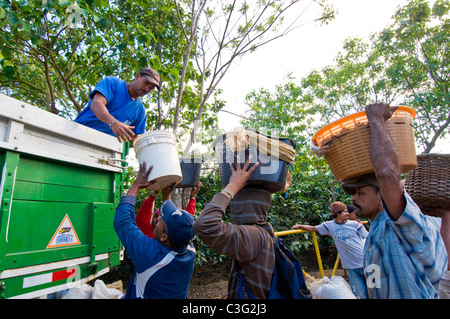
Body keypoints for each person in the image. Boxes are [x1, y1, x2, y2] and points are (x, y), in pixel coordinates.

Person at [341, 102, 447, 299]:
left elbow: (386, 173)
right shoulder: (373, 233)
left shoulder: (402, 226)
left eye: (360, 192)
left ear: (382, 192)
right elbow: (374, 285)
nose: (353, 198)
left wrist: (376, 120)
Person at [194, 156, 282, 299]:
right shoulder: (266, 232)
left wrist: (232, 187)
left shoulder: (253, 236)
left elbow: (204, 225)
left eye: (234, 201)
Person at [113, 161, 195, 299]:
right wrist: (166, 196)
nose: (157, 219)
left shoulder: (151, 256)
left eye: (160, 221)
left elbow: (123, 221)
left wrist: (137, 184)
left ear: (164, 237)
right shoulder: (189, 249)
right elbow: (177, 226)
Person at [291, 201, 369, 299]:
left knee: (374, 291)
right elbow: (313, 229)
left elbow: (368, 238)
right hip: (351, 267)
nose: (348, 213)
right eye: (345, 211)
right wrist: (299, 226)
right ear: (337, 213)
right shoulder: (329, 226)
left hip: (366, 263)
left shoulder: (355, 224)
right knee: (360, 295)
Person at [75, 67, 160, 143]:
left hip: (104, 145)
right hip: (79, 133)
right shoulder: (113, 83)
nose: (146, 89)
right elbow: (96, 104)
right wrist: (113, 123)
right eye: (146, 83)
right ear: (137, 76)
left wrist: (149, 146)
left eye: (151, 88)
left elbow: (134, 138)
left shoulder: (140, 111)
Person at [136, 181, 202, 238]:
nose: (158, 218)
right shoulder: (148, 232)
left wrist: (193, 197)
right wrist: (152, 196)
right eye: (156, 216)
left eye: (162, 217)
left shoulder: (172, 235)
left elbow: (185, 223)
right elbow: (142, 218)